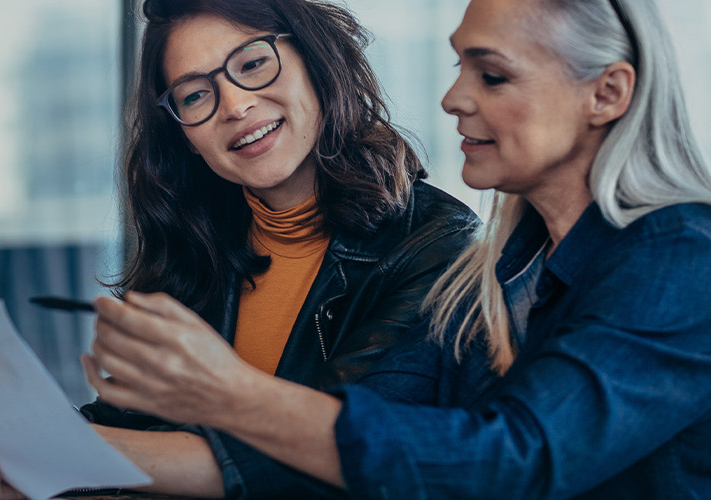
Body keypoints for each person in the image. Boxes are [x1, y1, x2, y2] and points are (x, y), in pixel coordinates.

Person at [0, 0, 478, 495]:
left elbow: (328, 453)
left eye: (253, 64)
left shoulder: (437, 245)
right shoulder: (198, 241)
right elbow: (129, 430)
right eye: (196, 94)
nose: (236, 106)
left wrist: (52, 447)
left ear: (314, 59)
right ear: (181, 129)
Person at [75, 0, 711, 497]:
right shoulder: (508, 264)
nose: (453, 98)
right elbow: (401, 448)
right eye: (461, 66)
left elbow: (511, 458)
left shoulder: (681, 256)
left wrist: (229, 394)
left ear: (607, 94)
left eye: (491, 74)